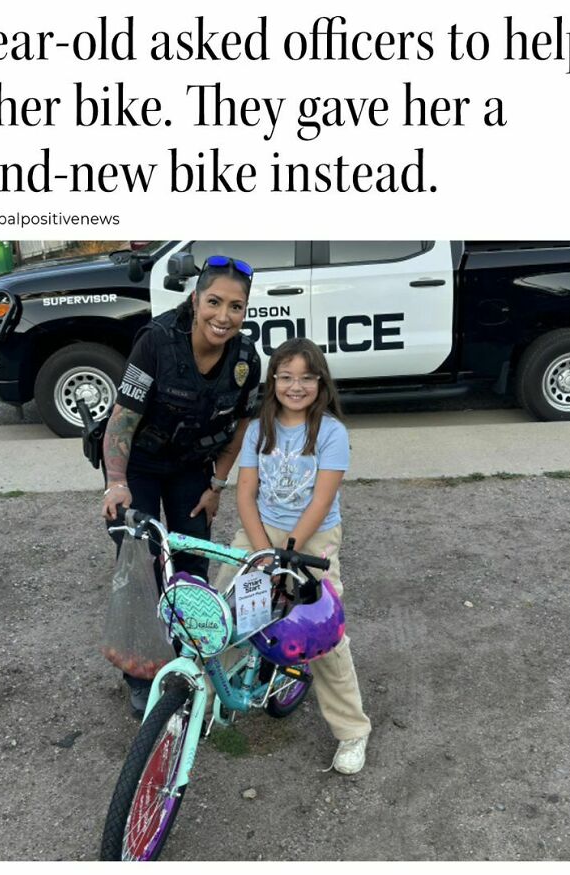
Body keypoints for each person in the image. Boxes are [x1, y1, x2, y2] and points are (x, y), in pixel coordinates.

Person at [101, 255, 261, 716]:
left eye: (236, 306)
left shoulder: (246, 359)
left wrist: (216, 484)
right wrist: (116, 483)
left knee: (191, 563)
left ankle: (186, 660)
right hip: (140, 466)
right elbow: (123, 419)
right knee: (145, 564)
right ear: (196, 299)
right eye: (214, 302)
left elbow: (242, 427)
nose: (223, 316)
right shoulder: (155, 342)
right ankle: (140, 672)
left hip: (193, 466)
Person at [215, 337, 372, 774]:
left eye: (306, 377)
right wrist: (263, 549)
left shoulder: (332, 432)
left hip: (313, 537)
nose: (295, 386)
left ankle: (352, 730)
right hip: (260, 531)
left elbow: (321, 500)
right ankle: (211, 694)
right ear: (273, 381)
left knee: (323, 631)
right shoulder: (258, 428)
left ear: (320, 383)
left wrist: (286, 553)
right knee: (227, 608)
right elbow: (246, 492)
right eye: (286, 377)